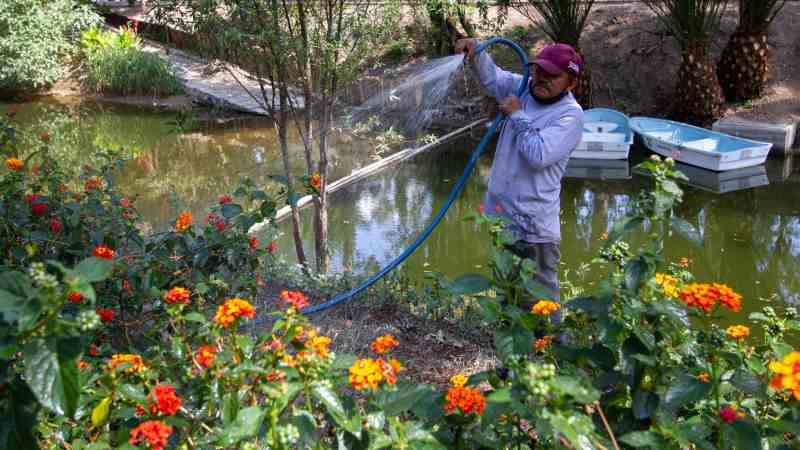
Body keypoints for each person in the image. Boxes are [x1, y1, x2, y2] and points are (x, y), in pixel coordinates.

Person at [455, 39, 585, 317]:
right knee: (509, 297)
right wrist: (477, 53)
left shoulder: (570, 116)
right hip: (504, 220)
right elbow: (494, 79)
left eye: (553, 76)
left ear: (571, 83)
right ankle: (515, 360)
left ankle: (555, 355)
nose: (542, 80)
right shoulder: (524, 88)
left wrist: (517, 115)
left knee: (541, 304)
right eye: (540, 72)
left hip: (534, 230)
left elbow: (538, 155)